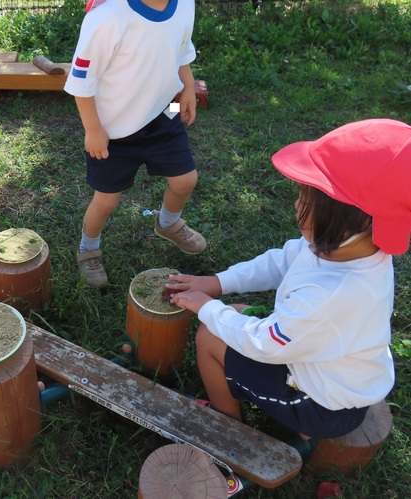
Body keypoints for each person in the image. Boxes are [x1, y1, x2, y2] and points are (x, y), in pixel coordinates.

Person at [165, 119, 410, 439]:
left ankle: (226, 432)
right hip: (328, 368)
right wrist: (218, 283)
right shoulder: (344, 248)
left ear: (355, 220)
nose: (296, 204)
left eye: (306, 201)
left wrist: (207, 308)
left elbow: (264, 344)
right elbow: (283, 260)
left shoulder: (332, 298)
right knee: (235, 312)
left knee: (210, 335)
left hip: (321, 406)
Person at [64, 0, 206, 287]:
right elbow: (81, 79)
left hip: (165, 112)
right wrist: (93, 129)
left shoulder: (184, 3)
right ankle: (88, 249)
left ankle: (168, 223)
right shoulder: (107, 17)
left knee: (186, 180)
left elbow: (182, 48)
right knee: (106, 201)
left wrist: (187, 87)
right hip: (112, 130)